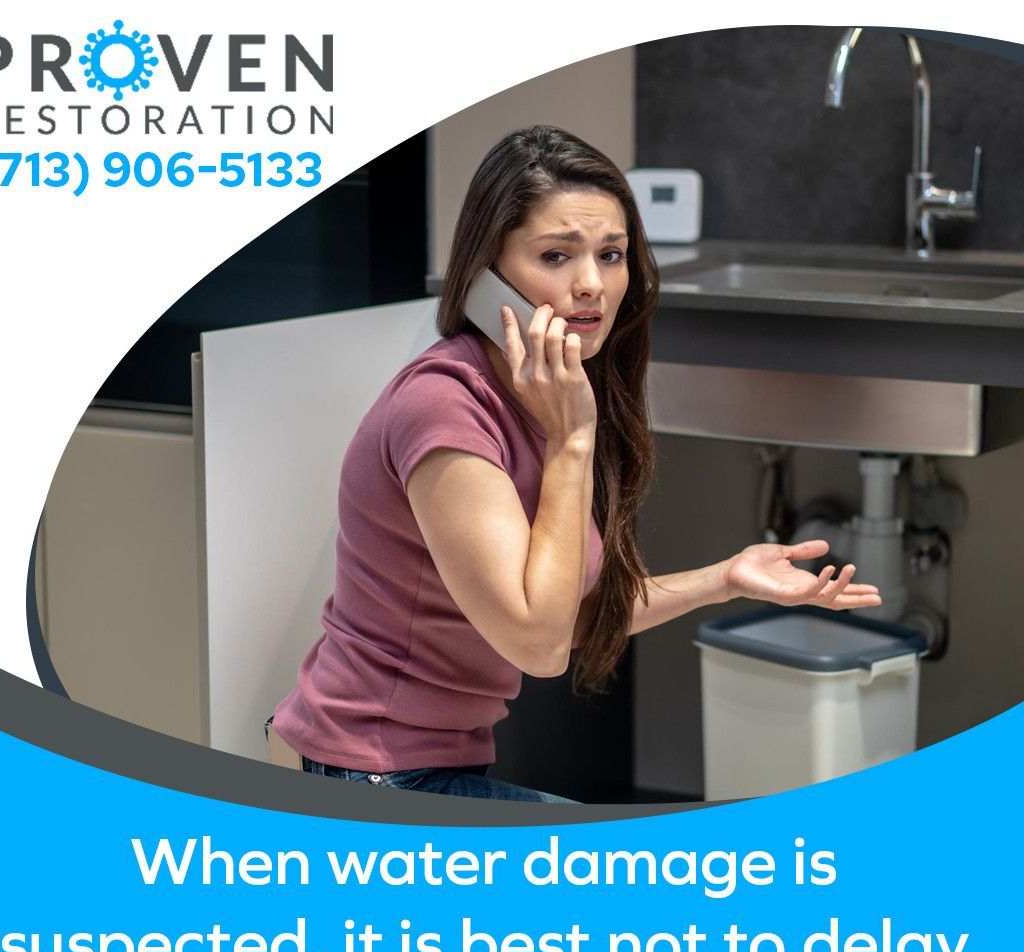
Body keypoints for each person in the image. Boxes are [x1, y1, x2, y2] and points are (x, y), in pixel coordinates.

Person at [270, 125, 881, 802]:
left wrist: (723, 579)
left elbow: (563, 613)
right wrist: (571, 445)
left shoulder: (547, 396)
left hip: (428, 769)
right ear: (487, 276)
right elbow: (538, 646)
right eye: (556, 255)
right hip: (365, 774)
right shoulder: (445, 410)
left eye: (611, 255)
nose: (591, 284)